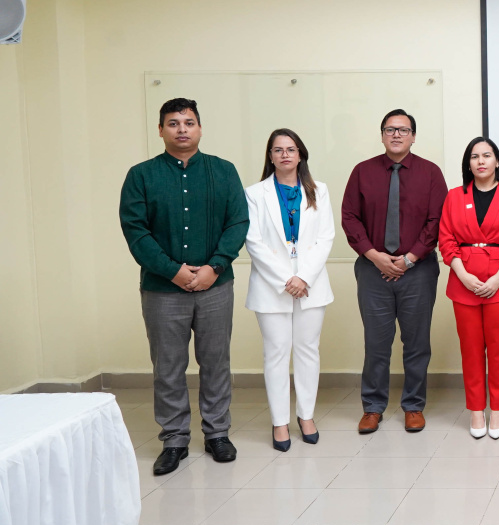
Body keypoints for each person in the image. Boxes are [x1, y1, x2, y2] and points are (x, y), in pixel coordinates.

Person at [119, 97, 249, 475]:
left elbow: (238, 222)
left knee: (216, 362)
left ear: (200, 129)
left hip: (216, 286)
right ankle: (174, 440)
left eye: (189, 122)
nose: (182, 129)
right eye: (173, 123)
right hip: (162, 290)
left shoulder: (224, 171)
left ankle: (217, 434)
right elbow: (136, 232)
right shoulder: (141, 175)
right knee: (168, 367)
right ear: (161, 130)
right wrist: (173, 271)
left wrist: (214, 267)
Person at [341, 109, 449, 434]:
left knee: (416, 343)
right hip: (373, 270)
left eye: (403, 130)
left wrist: (409, 259)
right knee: (376, 343)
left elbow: (437, 220)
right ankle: (373, 407)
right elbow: (350, 217)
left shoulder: (431, 173)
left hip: (418, 270)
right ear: (382, 135)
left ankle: (413, 406)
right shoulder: (362, 172)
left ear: (413, 136)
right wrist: (375, 256)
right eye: (390, 129)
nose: (397, 135)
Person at [244, 129, 335, 451]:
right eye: (278, 149)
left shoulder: (319, 190)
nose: (285, 154)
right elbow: (253, 241)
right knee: (277, 352)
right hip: (272, 284)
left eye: (291, 149)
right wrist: (287, 279)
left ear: (300, 155)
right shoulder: (254, 193)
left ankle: (306, 416)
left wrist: (304, 278)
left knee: (308, 350)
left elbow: (326, 237)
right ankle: (280, 422)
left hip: (311, 282)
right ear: (270, 156)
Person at [439, 137, 499, 438]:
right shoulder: (454, 196)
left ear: (497, 161)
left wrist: (498, 278)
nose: (481, 161)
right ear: (468, 163)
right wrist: (462, 275)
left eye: (487, 155)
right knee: (471, 348)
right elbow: (446, 240)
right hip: (463, 279)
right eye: (474, 156)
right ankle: (476, 409)